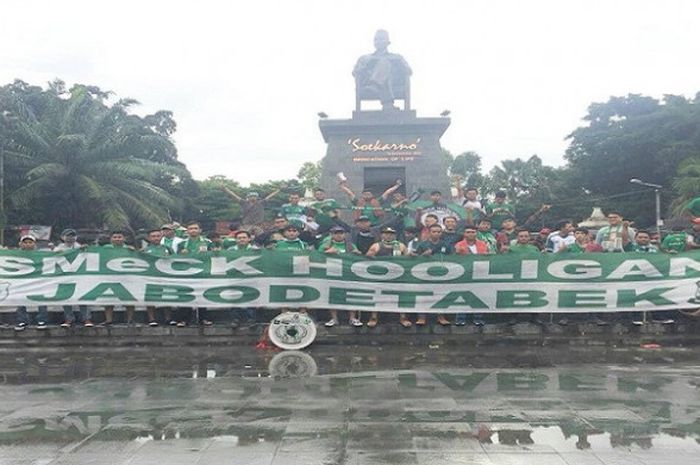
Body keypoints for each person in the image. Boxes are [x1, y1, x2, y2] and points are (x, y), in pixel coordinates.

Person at [353, 29, 412, 110]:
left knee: (385, 62)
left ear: (388, 42)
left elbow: (408, 70)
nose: (378, 42)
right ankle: (387, 103)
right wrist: (366, 65)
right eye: (376, 39)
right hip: (368, 82)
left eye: (381, 39)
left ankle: (375, 85)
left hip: (391, 82)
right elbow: (356, 72)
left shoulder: (397, 57)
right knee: (383, 64)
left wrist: (397, 64)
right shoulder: (365, 58)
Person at [320, 226, 363, 327]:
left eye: (341, 233)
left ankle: (352, 318)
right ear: (331, 234)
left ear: (344, 234)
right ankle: (334, 319)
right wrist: (326, 253)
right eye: (336, 233)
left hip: (348, 274)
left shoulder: (351, 245)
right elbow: (317, 257)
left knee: (351, 296)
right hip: (332, 274)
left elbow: (359, 257)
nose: (339, 235)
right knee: (333, 296)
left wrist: (358, 254)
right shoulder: (325, 245)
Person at [366, 227, 408, 328]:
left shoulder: (401, 246)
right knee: (377, 296)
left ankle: (403, 317)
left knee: (400, 297)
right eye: (386, 233)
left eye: (391, 233)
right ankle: (374, 317)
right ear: (382, 235)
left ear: (394, 235)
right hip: (380, 276)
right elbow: (367, 257)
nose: (388, 235)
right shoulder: (376, 245)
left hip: (397, 276)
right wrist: (370, 255)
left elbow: (408, 259)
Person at [414, 224, 453, 327]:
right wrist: (423, 255)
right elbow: (415, 260)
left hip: (442, 274)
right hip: (425, 275)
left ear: (441, 233)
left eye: (438, 232)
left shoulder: (446, 245)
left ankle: (441, 317)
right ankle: (421, 317)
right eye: (434, 231)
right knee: (423, 296)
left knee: (441, 296)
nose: (436, 233)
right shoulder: (422, 245)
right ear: (429, 232)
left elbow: (453, 259)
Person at [54, 228, 94, 327]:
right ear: (63, 237)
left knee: (82, 297)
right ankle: (68, 319)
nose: (70, 238)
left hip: (79, 276)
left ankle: (86, 318)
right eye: (68, 235)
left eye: (72, 235)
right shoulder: (58, 249)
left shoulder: (81, 247)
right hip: (64, 277)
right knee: (66, 298)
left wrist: (87, 250)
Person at [177, 222, 213, 327]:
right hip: (186, 273)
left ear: (200, 230)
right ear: (187, 231)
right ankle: (184, 319)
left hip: (203, 272)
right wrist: (181, 254)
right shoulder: (182, 243)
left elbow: (215, 255)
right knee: (185, 295)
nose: (193, 230)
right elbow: (176, 258)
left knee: (203, 295)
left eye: (195, 228)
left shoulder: (207, 242)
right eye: (190, 228)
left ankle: (204, 318)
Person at [454, 226, 489, 326]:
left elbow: (485, 257)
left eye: (473, 232)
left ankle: (478, 318)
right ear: (464, 234)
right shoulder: (459, 245)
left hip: (479, 273)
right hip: (464, 273)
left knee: (478, 296)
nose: (470, 234)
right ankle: (460, 318)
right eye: (468, 232)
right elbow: (455, 259)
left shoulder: (482, 244)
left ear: (476, 233)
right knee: (462, 296)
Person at [14, 235, 50, 331]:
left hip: (38, 280)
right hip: (21, 281)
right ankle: (22, 320)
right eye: (25, 242)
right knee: (20, 300)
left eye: (30, 242)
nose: (28, 244)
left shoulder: (41, 254)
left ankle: (42, 320)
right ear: (20, 244)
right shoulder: (14, 254)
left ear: (34, 244)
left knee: (41, 299)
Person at [101, 230, 136, 326]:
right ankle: (108, 320)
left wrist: (134, 252)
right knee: (108, 299)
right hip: (109, 276)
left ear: (124, 239)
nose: (117, 239)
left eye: (119, 237)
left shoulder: (129, 249)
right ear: (111, 239)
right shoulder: (105, 248)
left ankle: (130, 319)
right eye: (115, 237)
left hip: (126, 277)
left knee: (129, 298)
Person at [141, 228, 174, 326]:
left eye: (158, 236)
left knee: (167, 297)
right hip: (150, 277)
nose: (156, 238)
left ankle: (168, 318)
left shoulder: (167, 248)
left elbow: (174, 260)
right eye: (153, 236)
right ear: (149, 238)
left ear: (161, 236)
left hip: (165, 276)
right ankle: (151, 319)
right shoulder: (144, 250)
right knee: (151, 297)